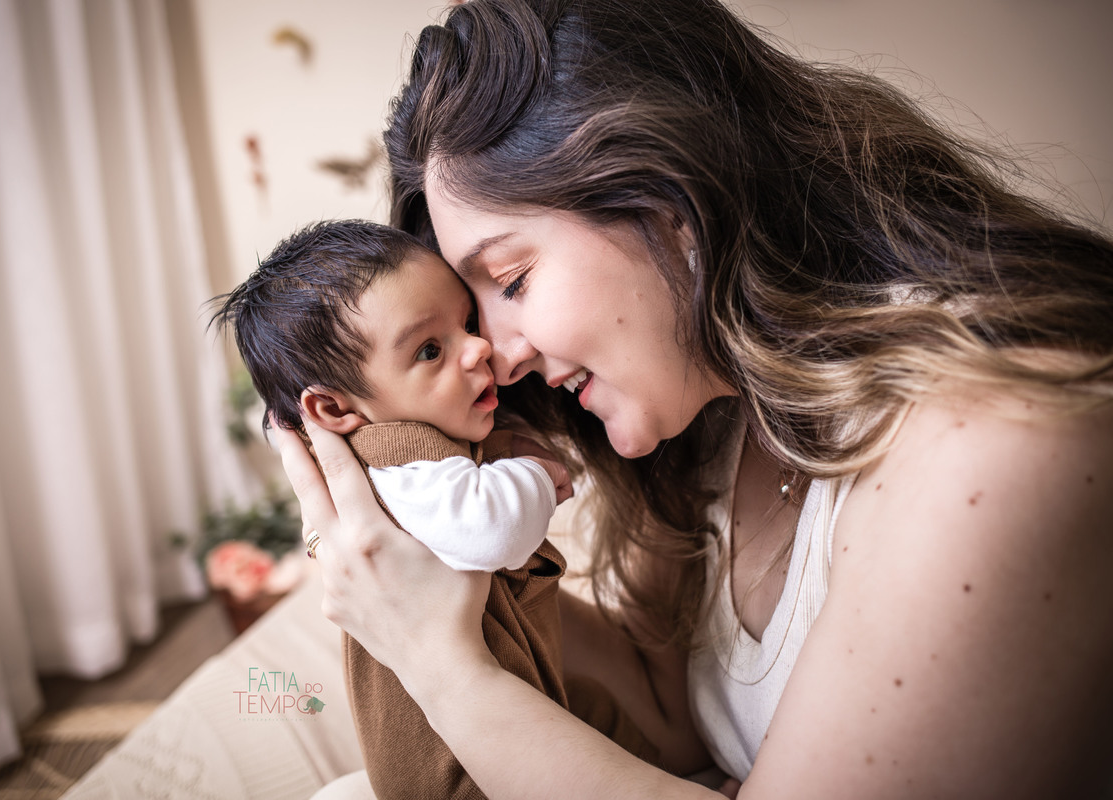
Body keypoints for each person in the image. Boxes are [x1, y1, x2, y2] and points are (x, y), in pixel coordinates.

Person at [271, 0, 1113, 796]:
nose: (503, 358)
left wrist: (435, 659)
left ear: (668, 200)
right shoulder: (716, 409)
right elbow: (668, 709)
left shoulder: (994, 441)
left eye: (514, 279)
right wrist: (432, 574)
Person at [212, 219, 660, 799]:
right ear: (334, 409)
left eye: (467, 324)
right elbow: (490, 527)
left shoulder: (425, 441)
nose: (480, 348)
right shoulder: (396, 459)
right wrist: (536, 478)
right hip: (458, 771)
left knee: (595, 709)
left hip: (502, 708)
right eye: (430, 350)